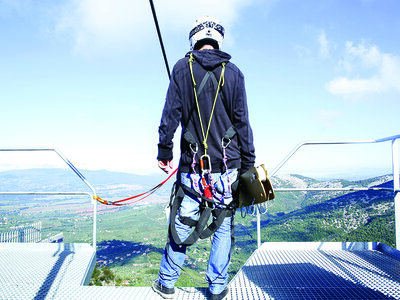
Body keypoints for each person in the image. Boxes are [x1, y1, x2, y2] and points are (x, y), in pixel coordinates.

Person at [153, 16, 255, 300]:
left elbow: (169, 115)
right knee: (222, 222)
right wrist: (248, 166)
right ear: (218, 40)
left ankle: (166, 283)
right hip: (227, 166)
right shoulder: (233, 73)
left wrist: (164, 151)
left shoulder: (181, 70)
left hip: (192, 165)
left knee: (183, 221)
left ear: (194, 40)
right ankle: (217, 287)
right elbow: (243, 123)